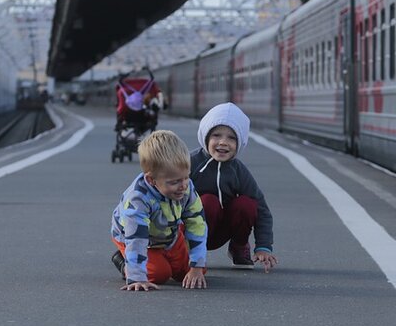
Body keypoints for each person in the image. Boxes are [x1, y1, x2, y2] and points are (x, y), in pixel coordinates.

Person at [110, 129, 209, 291]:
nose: (183, 185)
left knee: (194, 271)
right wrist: (136, 277)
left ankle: (164, 255)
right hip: (136, 237)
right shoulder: (138, 199)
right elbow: (137, 238)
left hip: (168, 232)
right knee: (158, 274)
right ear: (151, 179)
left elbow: (197, 223)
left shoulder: (186, 187)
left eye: (186, 177)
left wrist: (196, 266)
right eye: (174, 181)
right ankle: (123, 261)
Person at [190, 102, 277, 272]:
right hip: (191, 230)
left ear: (241, 142)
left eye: (232, 138)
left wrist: (264, 246)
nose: (223, 142)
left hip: (223, 230)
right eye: (216, 135)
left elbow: (262, 209)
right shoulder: (189, 163)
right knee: (207, 201)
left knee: (247, 204)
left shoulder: (238, 171)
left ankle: (238, 246)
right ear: (205, 137)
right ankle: (192, 252)